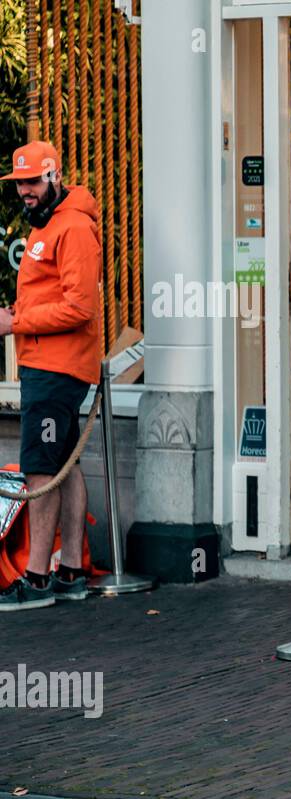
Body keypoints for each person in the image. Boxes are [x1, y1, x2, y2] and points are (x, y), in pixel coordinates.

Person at [0, 141, 103, 612]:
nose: (25, 190)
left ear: (54, 177)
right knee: (65, 464)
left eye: (33, 181)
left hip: (56, 369)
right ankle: (71, 573)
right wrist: (19, 312)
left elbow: (80, 308)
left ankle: (36, 579)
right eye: (20, 183)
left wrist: (14, 322)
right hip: (50, 365)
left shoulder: (74, 227)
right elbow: (54, 300)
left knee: (42, 469)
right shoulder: (52, 224)